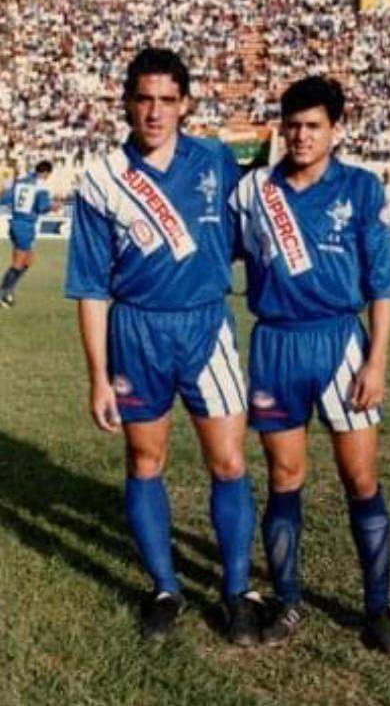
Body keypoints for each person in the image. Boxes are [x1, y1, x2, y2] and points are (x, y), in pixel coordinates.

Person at [66, 48, 261, 645]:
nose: (154, 112)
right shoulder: (100, 180)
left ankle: (235, 592)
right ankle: (165, 588)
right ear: (127, 102)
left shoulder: (215, 160)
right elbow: (92, 288)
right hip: (137, 333)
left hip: (206, 328)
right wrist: (98, 375)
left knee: (228, 461)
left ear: (185, 105)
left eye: (167, 100)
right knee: (145, 461)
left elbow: (243, 235)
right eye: (144, 99)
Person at [229, 76, 390, 656]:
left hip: (341, 346)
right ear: (282, 128)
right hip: (277, 346)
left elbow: (382, 284)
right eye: (294, 125)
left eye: (313, 126)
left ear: (336, 130)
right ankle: (287, 601)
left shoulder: (360, 188)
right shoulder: (255, 191)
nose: (302, 136)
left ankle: (379, 607)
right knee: (285, 478)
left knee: (360, 478)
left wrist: (376, 362)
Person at [0, 160, 53, 308]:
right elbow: (42, 207)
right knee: (18, 263)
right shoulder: (41, 185)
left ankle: (9, 290)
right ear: (46, 173)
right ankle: (4, 294)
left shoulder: (21, 181)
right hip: (25, 226)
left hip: (15, 223)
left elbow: (4, 199)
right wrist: (53, 206)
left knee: (29, 261)